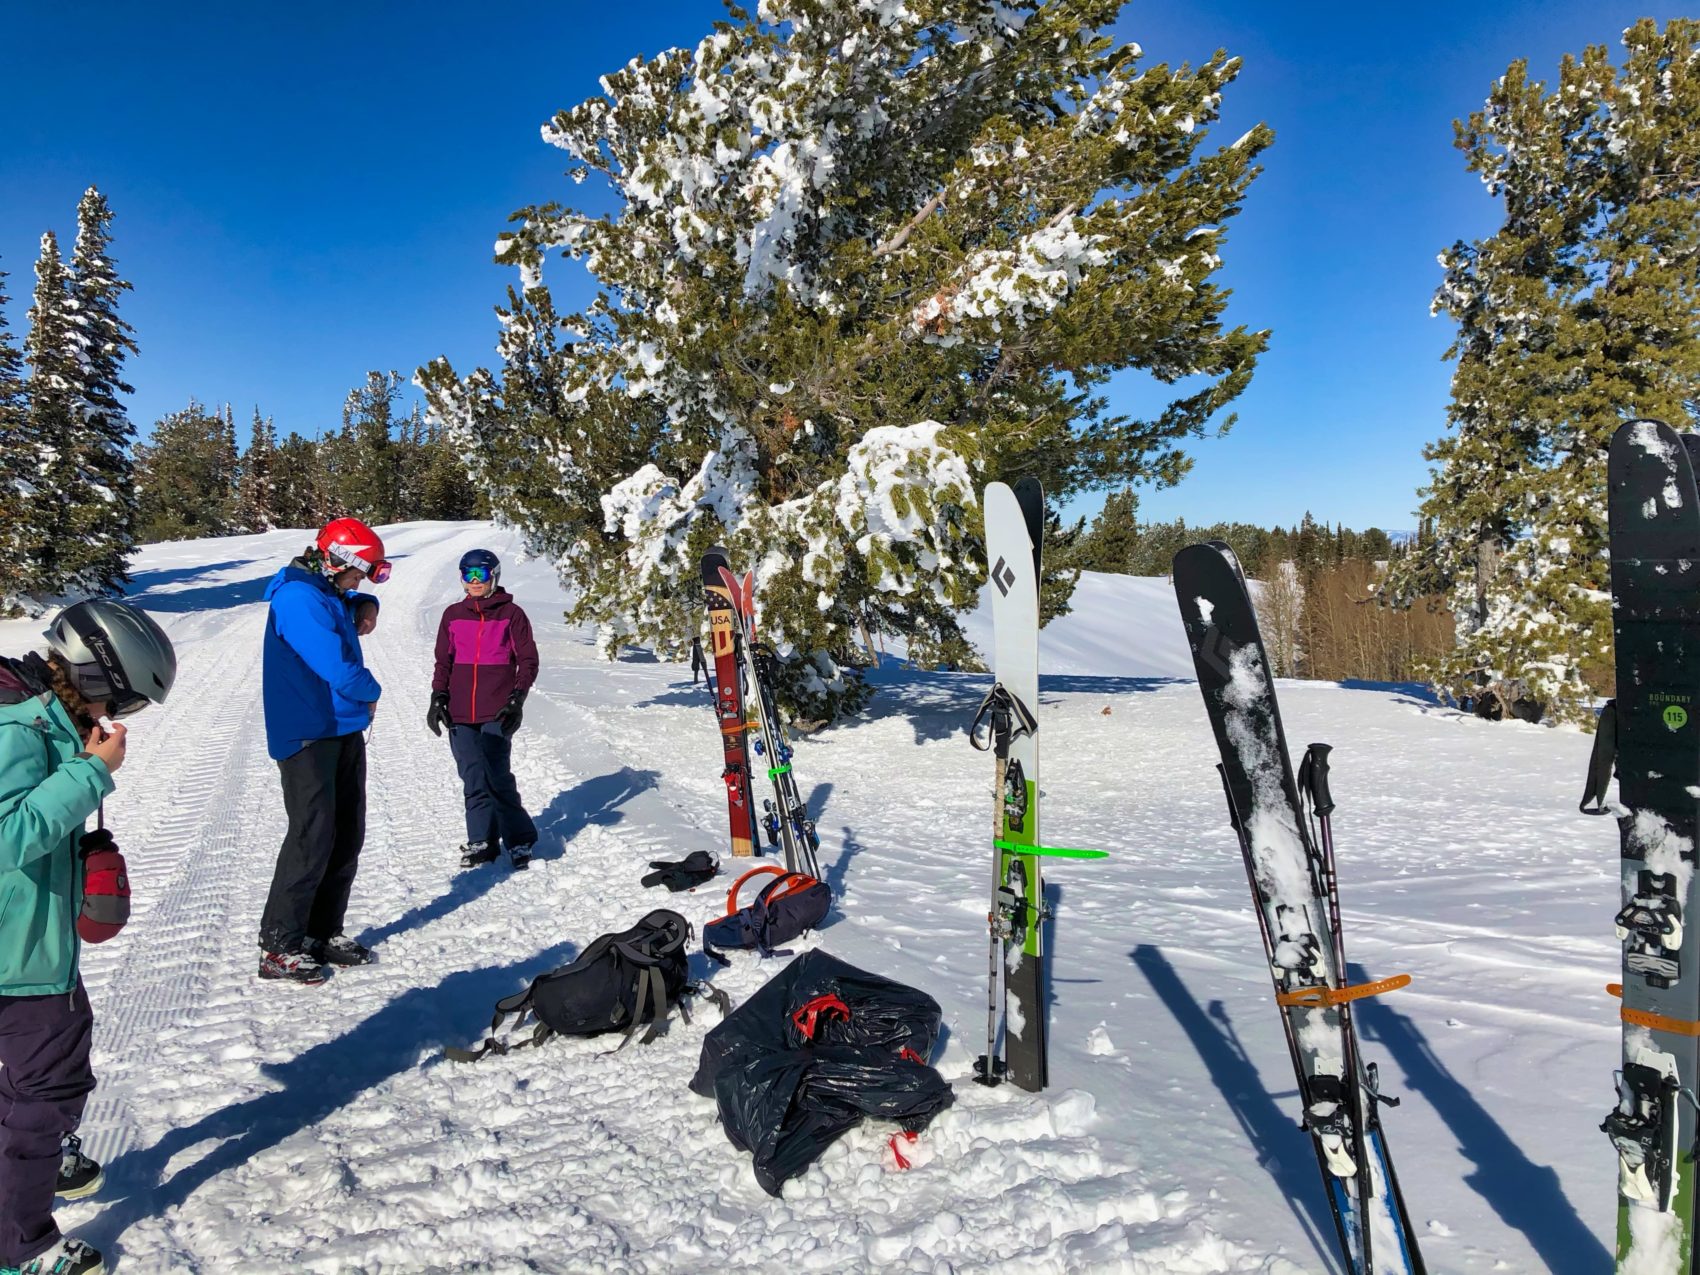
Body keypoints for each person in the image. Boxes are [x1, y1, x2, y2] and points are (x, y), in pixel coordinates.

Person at [1, 599, 176, 1275]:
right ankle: (22, 1248)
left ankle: (30, 1161)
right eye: (123, 701)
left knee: (32, 1087)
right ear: (98, 672)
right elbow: (6, 836)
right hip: (21, 956)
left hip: (23, 941)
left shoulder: (33, 714)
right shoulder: (17, 727)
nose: (116, 720)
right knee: (47, 1087)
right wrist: (89, 772)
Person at [257, 518, 388, 986]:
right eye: (360, 574)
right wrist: (372, 689)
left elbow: (345, 601)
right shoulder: (297, 598)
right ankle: (279, 945)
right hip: (307, 732)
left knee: (347, 832)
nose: (360, 582)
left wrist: (366, 601)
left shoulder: (325, 590)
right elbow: (336, 666)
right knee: (312, 837)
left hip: (341, 728)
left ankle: (321, 932)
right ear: (338, 561)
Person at [426, 549, 539, 870]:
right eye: (468, 575)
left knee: (497, 775)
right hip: (460, 711)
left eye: (481, 575)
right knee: (473, 777)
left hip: (497, 709)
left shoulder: (511, 615)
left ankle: (519, 840)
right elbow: (443, 661)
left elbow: (528, 661)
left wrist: (518, 698)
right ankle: (482, 840)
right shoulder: (453, 615)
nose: (474, 581)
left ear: (494, 576)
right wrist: (438, 696)